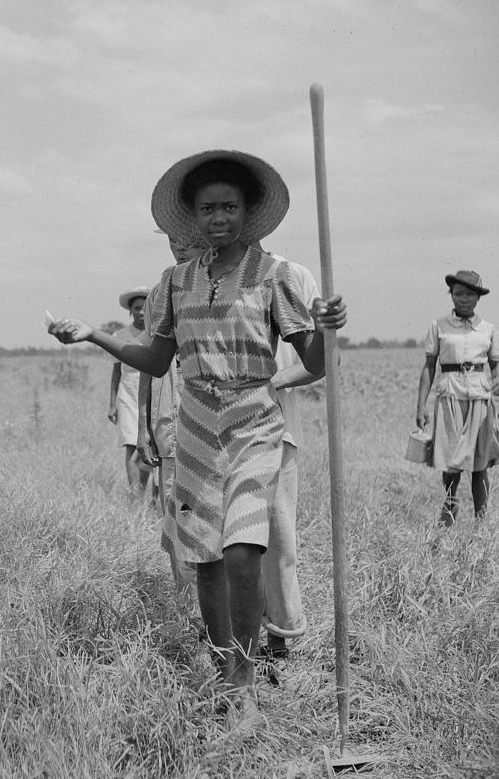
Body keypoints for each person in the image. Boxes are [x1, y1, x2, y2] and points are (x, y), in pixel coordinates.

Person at [49, 149, 347, 728]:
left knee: (242, 552)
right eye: (208, 208)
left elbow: (312, 363)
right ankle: (224, 673)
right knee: (204, 559)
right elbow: (155, 361)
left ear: (247, 212)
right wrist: (94, 336)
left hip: (255, 421)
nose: (219, 218)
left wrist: (325, 332)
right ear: (192, 216)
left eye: (229, 207)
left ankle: (246, 682)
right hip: (194, 427)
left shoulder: (274, 276)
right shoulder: (175, 282)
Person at [259, 253, 324, 669]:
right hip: (214, 429)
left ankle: (279, 639)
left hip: (275, 421)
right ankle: (232, 643)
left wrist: (274, 381)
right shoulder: (197, 277)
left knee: (277, 536)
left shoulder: (291, 274)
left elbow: (318, 359)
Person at [137, 238, 203, 599]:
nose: (181, 248)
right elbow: (149, 361)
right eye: (173, 240)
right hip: (169, 424)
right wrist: (142, 428)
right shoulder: (160, 291)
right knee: (174, 513)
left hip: (211, 427)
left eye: (190, 240)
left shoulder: (223, 286)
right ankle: (185, 604)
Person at [415, 270, 499, 526]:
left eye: (470, 294)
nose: (464, 299)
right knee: (450, 461)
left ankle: (481, 519)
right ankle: (450, 508)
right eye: (458, 294)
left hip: (479, 399)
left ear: (478, 298)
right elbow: (429, 366)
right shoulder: (438, 326)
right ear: (451, 295)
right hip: (449, 395)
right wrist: (421, 406)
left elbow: (495, 367)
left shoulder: (488, 329)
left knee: (479, 462)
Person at [109, 286, 151, 501]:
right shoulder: (120, 336)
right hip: (127, 390)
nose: (141, 313)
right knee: (130, 443)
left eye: (145, 308)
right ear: (130, 311)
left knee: (149, 443)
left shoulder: (155, 333)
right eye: (137, 309)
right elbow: (116, 370)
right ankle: (135, 495)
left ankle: (148, 492)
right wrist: (112, 403)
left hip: (150, 391)